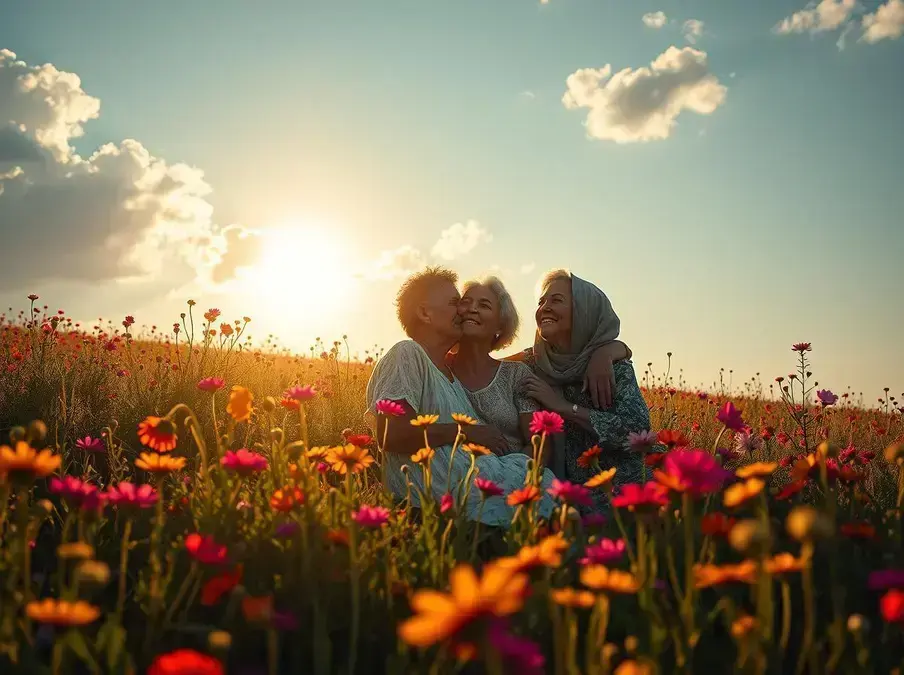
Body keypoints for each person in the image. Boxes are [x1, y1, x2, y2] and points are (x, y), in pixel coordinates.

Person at [365, 267, 556, 526]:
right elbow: (392, 434)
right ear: (424, 313)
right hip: (438, 499)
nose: (464, 311)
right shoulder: (406, 354)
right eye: (457, 303)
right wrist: (465, 432)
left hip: (472, 486)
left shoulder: (448, 375)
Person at [516, 269, 650, 510]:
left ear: (584, 312)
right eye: (541, 301)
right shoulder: (534, 361)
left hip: (628, 484)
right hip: (569, 493)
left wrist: (564, 408)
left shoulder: (613, 366)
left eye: (556, 300)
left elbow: (637, 430)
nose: (544, 307)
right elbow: (488, 364)